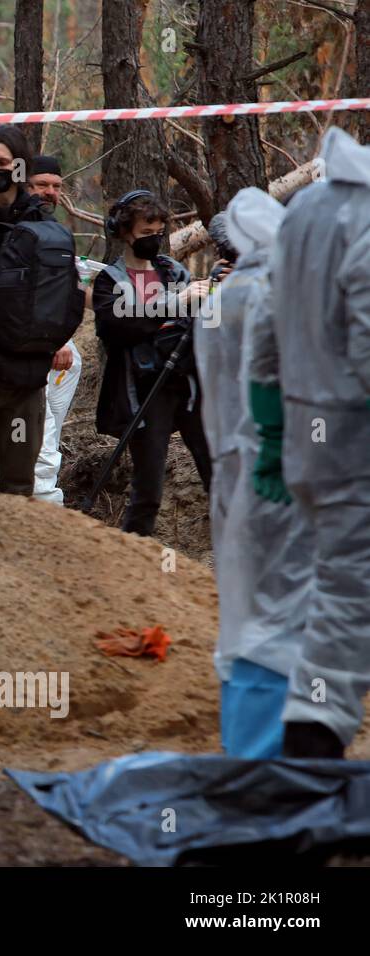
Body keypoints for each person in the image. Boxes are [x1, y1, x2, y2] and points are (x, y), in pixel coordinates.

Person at [250, 127, 370, 758]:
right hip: (355, 445)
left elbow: (268, 326)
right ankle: (309, 758)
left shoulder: (307, 209)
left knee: (333, 589)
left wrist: (272, 427)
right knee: (350, 601)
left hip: (307, 436)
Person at [200, 188, 312, 759]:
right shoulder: (282, 296)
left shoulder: (224, 296)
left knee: (245, 600)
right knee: (288, 600)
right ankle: (280, 749)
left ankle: (247, 742)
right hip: (282, 466)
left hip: (234, 469)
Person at [0, 126, 82, 499]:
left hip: (27, 371)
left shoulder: (44, 224)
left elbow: (65, 293)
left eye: (4, 163)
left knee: (19, 482)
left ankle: (11, 556)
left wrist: (54, 341)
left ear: (20, 166)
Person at [92, 190, 213, 535]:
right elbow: (118, 327)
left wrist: (218, 292)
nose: (154, 240)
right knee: (148, 489)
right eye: (147, 233)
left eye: (159, 233)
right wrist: (174, 305)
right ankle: (134, 559)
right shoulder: (109, 281)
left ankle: (236, 554)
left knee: (216, 473)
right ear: (124, 232)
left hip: (187, 385)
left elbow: (206, 318)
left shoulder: (173, 271)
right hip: (144, 393)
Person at [0, 154, 83, 503]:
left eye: (56, 186)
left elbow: (64, 293)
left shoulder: (56, 235)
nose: (50, 192)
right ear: (25, 187)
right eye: (42, 185)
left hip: (42, 354)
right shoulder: (6, 229)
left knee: (41, 439)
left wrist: (62, 338)